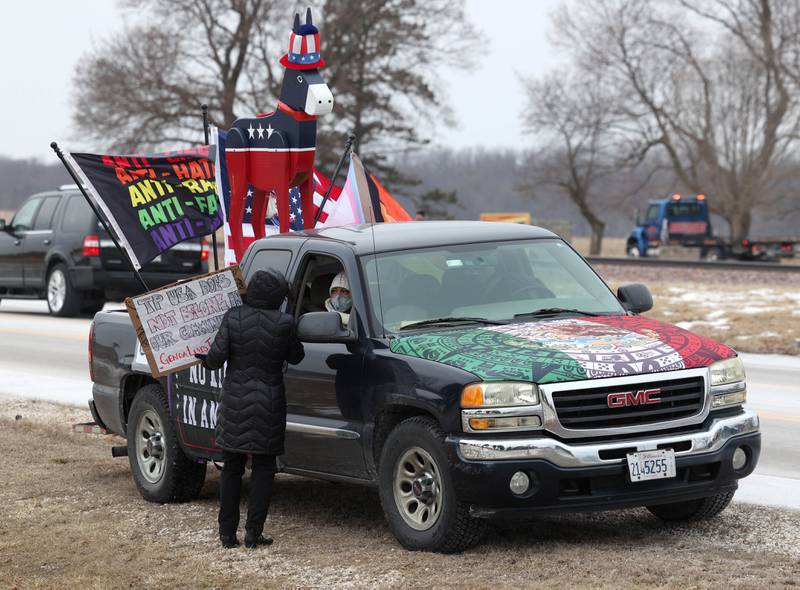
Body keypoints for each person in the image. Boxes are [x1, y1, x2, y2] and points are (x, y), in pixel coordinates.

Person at [197, 270, 304, 549]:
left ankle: (226, 534)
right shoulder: (285, 323)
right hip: (269, 402)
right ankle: (254, 533)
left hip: (235, 399)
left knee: (231, 467)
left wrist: (203, 360)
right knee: (264, 468)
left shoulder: (233, 317)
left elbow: (216, 357)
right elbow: (297, 356)